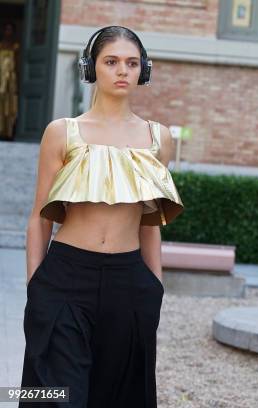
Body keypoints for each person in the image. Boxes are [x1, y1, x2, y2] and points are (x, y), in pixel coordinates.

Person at [20, 26, 184, 408]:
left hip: (130, 283)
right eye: (111, 62)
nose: (122, 71)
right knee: (58, 397)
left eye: (131, 63)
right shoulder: (62, 133)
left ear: (144, 70)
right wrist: (36, 287)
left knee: (120, 397)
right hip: (65, 279)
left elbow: (150, 220)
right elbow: (39, 217)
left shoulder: (157, 138)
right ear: (91, 68)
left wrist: (154, 285)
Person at [0, 22, 19, 140]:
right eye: (6, 29)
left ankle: (9, 132)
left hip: (11, 80)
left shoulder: (16, 46)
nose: (8, 32)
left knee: (10, 106)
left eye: (10, 29)